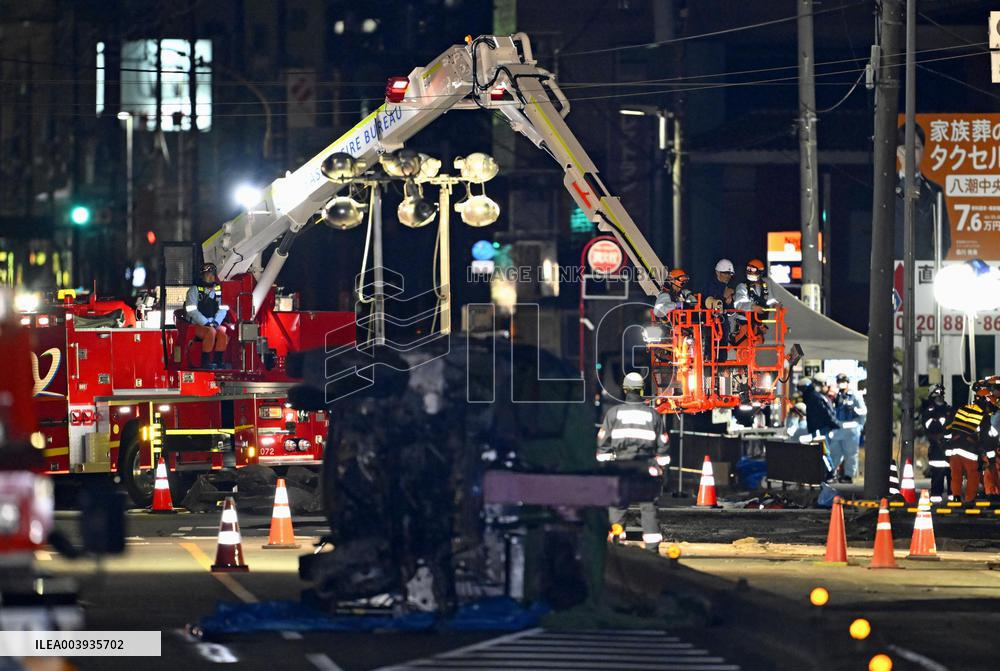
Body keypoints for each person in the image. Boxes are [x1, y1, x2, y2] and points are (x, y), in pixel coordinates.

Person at [596, 372, 670, 551]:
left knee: (617, 505)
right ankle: (652, 549)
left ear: (625, 389)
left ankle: (616, 545)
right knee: (648, 506)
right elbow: (663, 445)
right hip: (645, 466)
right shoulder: (653, 415)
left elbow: (602, 445)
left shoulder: (614, 413)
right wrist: (660, 467)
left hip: (621, 465)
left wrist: (607, 466)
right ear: (642, 390)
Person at [894, 123, 951, 260]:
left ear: (923, 151)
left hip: (924, 269)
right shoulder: (885, 189)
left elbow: (944, 238)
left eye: (917, 147)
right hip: (892, 269)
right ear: (897, 151)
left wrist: (930, 262)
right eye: (906, 147)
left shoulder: (934, 190)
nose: (911, 153)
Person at [944, 380, 999, 503]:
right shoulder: (983, 417)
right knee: (972, 475)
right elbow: (987, 440)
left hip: (954, 449)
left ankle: (956, 497)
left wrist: (947, 448)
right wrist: (990, 458)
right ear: (986, 402)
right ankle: (969, 500)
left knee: (956, 475)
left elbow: (947, 428)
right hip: (969, 451)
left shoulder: (962, 408)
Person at [184, 262, 230, 369]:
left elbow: (223, 308)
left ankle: (218, 362)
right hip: (195, 324)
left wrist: (215, 322)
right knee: (211, 332)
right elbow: (192, 310)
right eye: (207, 274)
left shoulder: (218, 290)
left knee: (222, 332)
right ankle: (205, 362)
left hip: (212, 323)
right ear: (202, 275)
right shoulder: (194, 290)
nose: (210, 277)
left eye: (212, 274)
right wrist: (206, 323)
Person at [733, 259, 778, 345]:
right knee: (744, 350)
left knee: (758, 349)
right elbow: (738, 304)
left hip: (758, 325)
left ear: (760, 272)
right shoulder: (742, 286)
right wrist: (752, 307)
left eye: (752, 270)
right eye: (748, 269)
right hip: (745, 325)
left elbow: (770, 300)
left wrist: (776, 305)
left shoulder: (765, 287)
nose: (749, 272)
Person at [831, 374, 866, 483]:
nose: (841, 383)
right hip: (839, 427)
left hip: (852, 427)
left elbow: (863, 411)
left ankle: (848, 476)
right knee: (835, 451)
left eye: (843, 381)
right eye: (839, 381)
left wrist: (854, 409)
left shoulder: (855, 395)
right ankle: (831, 473)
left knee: (850, 453)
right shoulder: (837, 396)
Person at [698, 259, 736, 361]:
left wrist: (729, 302)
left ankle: (721, 369)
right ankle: (709, 366)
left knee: (722, 348)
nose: (728, 276)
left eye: (730, 274)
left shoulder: (727, 288)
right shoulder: (708, 286)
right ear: (717, 272)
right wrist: (723, 297)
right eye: (726, 273)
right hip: (708, 323)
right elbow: (706, 302)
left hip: (722, 324)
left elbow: (730, 311)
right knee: (709, 348)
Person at [920, 385, 952, 502]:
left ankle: (950, 497)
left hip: (946, 448)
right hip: (938, 448)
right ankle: (939, 497)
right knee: (940, 474)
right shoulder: (930, 410)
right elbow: (929, 427)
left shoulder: (947, 410)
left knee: (949, 474)